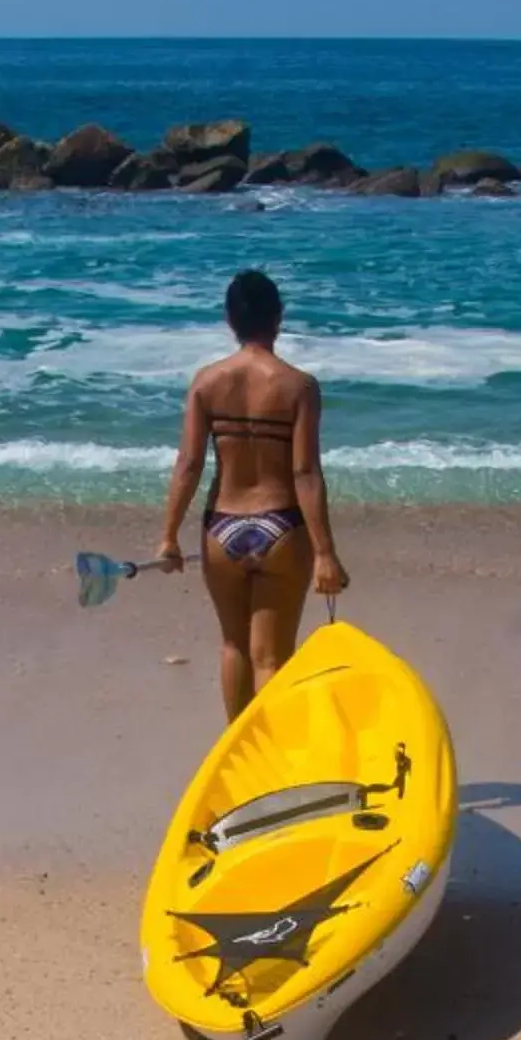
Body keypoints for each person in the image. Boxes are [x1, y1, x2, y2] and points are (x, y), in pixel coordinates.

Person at [156, 269, 349, 719]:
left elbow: (188, 464)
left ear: (230, 319)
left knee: (233, 646)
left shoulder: (206, 382)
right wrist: (324, 552)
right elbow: (304, 472)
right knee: (272, 659)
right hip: (280, 526)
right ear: (278, 318)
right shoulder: (298, 386)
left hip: (222, 526)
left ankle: (239, 756)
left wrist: (168, 535)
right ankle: (270, 763)